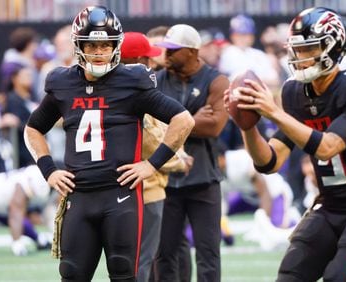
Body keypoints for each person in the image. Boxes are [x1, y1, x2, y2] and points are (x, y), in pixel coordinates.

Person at [23, 6, 194, 282]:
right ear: (79, 45)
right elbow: (32, 128)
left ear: (116, 46)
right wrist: (49, 170)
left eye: (106, 45)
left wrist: (152, 165)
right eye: (93, 44)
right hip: (78, 196)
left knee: (124, 272)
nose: (100, 52)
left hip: (121, 195)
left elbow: (183, 120)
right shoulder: (61, 82)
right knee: (72, 274)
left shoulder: (133, 80)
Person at [225, 7, 346, 281]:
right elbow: (269, 161)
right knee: (289, 277)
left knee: (337, 278)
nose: (299, 58)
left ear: (334, 46)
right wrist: (248, 126)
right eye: (297, 49)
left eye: (308, 49)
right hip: (328, 204)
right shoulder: (295, 92)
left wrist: (274, 112)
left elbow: (328, 146)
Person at [153, 24, 229, 282]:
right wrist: (193, 119)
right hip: (167, 180)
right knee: (164, 253)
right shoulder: (157, 79)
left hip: (204, 179)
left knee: (208, 254)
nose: (167, 54)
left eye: (173, 50)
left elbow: (215, 126)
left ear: (192, 51)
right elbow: (151, 128)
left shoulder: (216, 80)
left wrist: (175, 123)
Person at [119, 31, 194, 282]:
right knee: (140, 263)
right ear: (139, 61)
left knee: (124, 263)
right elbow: (153, 139)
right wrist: (179, 160)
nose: (153, 65)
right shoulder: (137, 93)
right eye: (147, 59)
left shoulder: (108, 92)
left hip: (114, 190)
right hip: (144, 190)